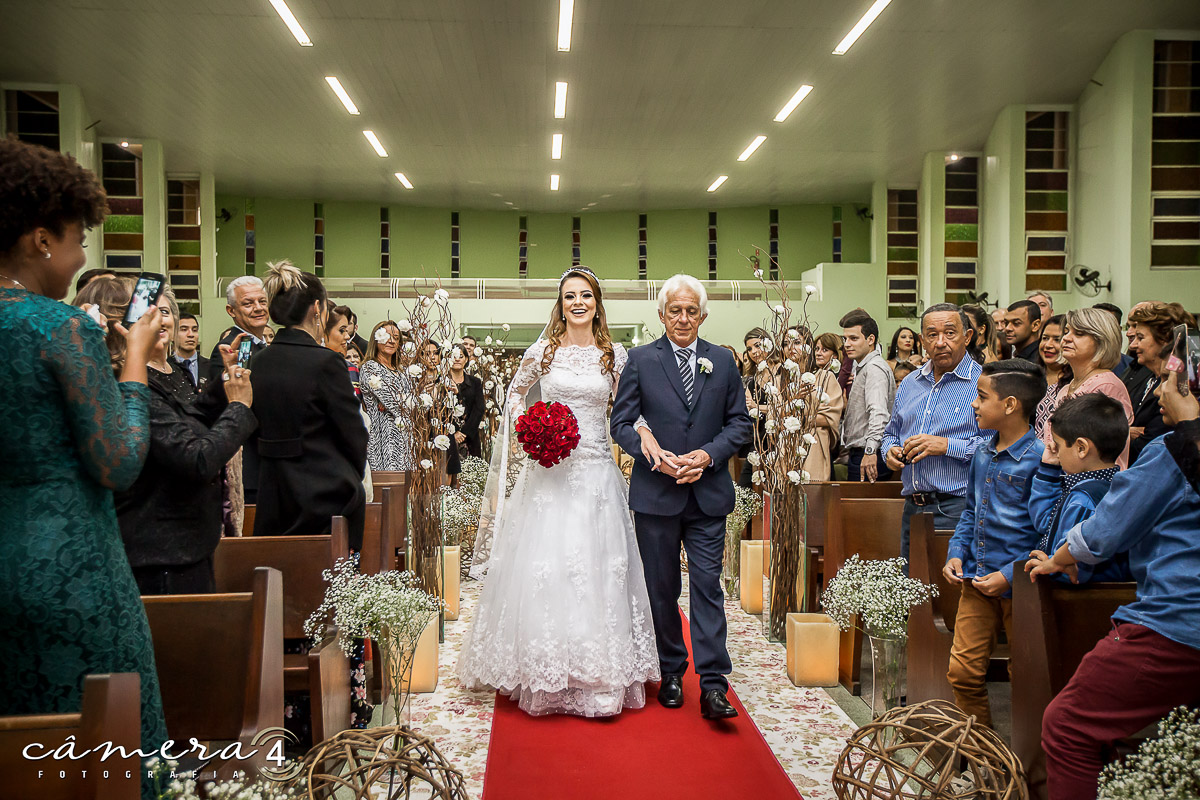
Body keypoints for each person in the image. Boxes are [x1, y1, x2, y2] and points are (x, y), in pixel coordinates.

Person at [0, 136, 168, 778]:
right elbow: (118, 460)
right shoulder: (58, 327)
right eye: (76, 241)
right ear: (42, 239)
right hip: (67, 567)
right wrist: (133, 362)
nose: (77, 259)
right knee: (108, 749)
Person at [459, 266, 660, 718]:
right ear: (561, 303)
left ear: (597, 302)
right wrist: (528, 427)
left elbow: (631, 409)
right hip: (548, 472)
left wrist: (646, 433)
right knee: (546, 569)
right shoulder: (545, 350)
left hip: (595, 473)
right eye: (569, 296)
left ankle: (598, 674)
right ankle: (546, 671)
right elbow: (515, 394)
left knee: (596, 567)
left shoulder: (615, 355)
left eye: (585, 295)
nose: (578, 303)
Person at [1028, 375, 1200, 800]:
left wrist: (1060, 558)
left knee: (1068, 725)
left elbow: (1106, 530)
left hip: (1177, 621)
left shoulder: (1175, 450)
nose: (1161, 390)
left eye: (1174, 379)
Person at [610, 272, 752, 720]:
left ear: (703, 316)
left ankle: (713, 685)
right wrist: (651, 453)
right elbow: (621, 422)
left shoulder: (724, 363)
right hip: (656, 495)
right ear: (661, 315)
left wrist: (707, 456)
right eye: (676, 310)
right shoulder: (640, 360)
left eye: (692, 311)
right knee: (662, 589)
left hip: (708, 494)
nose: (684, 318)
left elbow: (740, 425)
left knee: (708, 587)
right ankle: (671, 669)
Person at [115, 287, 257, 594]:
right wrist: (238, 407)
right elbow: (195, 458)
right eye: (149, 312)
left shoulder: (175, 372)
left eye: (165, 312)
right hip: (161, 547)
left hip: (190, 539)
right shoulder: (132, 385)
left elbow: (192, 419)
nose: (160, 320)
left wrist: (224, 385)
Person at [944, 359, 1046, 729]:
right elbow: (971, 512)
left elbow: (1045, 534)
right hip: (976, 578)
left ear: (1010, 405)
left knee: (1028, 677)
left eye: (981, 396)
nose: (973, 403)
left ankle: (1027, 767)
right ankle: (984, 760)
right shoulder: (983, 452)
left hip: (1022, 584)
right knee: (963, 672)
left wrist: (1008, 574)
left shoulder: (1040, 459)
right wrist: (956, 552)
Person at [249, 261, 368, 547]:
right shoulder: (326, 362)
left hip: (273, 494)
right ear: (317, 309)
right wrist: (350, 476)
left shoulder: (258, 361)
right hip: (323, 495)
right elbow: (353, 434)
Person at [883, 303, 988, 570]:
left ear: (967, 337)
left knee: (948, 595)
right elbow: (891, 433)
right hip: (912, 507)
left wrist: (946, 446)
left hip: (956, 507)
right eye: (932, 335)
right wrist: (890, 452)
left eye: (950, 333)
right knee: (911, 593)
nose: (941, 342)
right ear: (922, 341)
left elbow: (995, 448)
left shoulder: (983, 383)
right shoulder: (910, 383)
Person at [1026, 394, 1129, 584]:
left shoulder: (1084, 499)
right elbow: (1045, 523)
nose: (1054, 449)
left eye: (1057, 444)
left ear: (1081, 448)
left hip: (1074, 599)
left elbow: (1071, 565)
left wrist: (1049, 566)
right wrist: (1049, 470)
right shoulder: (1116, 485)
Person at [1038, 307, 1133, 468]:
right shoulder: (1065, 388)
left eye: (1079, 334)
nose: (1066, 338)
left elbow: (1108, 458)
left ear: (1102, 341)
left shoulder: (1106, 385)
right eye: (1067, 331)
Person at [1125, 301, 1195, 464]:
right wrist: (1125, 433)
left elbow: (1146, 445)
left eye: (1140, 337)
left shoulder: (1182, 387)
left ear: (1165, 340)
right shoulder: (1142, 374)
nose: (1134, 345)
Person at [840, 310, 895, 482]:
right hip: (863, 452)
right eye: (845, 339)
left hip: (870, 453)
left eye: (853, 338)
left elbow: (879, 412)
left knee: (863, 508)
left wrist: (870, 451)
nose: (847, 344)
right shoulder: (865, 366)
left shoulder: (874, 368)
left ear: (870, 340)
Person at [785, 328, 843, 481]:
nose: (790, 348)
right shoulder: (782, 379)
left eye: (797, 343)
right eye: (786, 344)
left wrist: (798, 420)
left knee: (812, 497)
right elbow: (776, 415)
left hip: (814, 445)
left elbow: (830, 418)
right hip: (786, 447)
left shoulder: (825, 376)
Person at [359, 321, 415, 472]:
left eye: (396, 338)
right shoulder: (370, 367)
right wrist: (400, 400)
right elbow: (395, 403)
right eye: (387, 336)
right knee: (386, 488)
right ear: (376, 339)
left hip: (405, 438)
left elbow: (412, 404)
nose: (391, 341)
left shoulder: (401, 372)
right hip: (383, 439)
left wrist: (399, 401)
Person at [738, 326, 779, 487]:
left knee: (772, 485)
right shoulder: (754, 377)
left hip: (777, 438)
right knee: (746, 483)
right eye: (749, 348)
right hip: (758, 437)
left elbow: (785, 407)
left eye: (757, 345)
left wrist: (758, 407)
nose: (753, 351)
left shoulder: (781, 370)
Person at [1032, 314, 1067, 436]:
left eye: (1057, 340)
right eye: (1045, 338)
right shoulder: (1031, 376)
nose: (1048, 345)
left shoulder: (1075, 382)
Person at [448, 344, 485, 458]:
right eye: (454, 356)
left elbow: (479, 409)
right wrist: (453, 432)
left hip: (470, 435)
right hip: (447, 436)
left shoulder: (475, 382)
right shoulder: (442, 382)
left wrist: (464, 432)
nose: (457, 359)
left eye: (461, 356)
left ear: (466, 359)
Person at [173, 311, 210, 390]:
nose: (191, 335)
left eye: (194, 330)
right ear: (172, 335)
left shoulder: (210, 366)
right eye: (183, 329)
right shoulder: (166, 366)